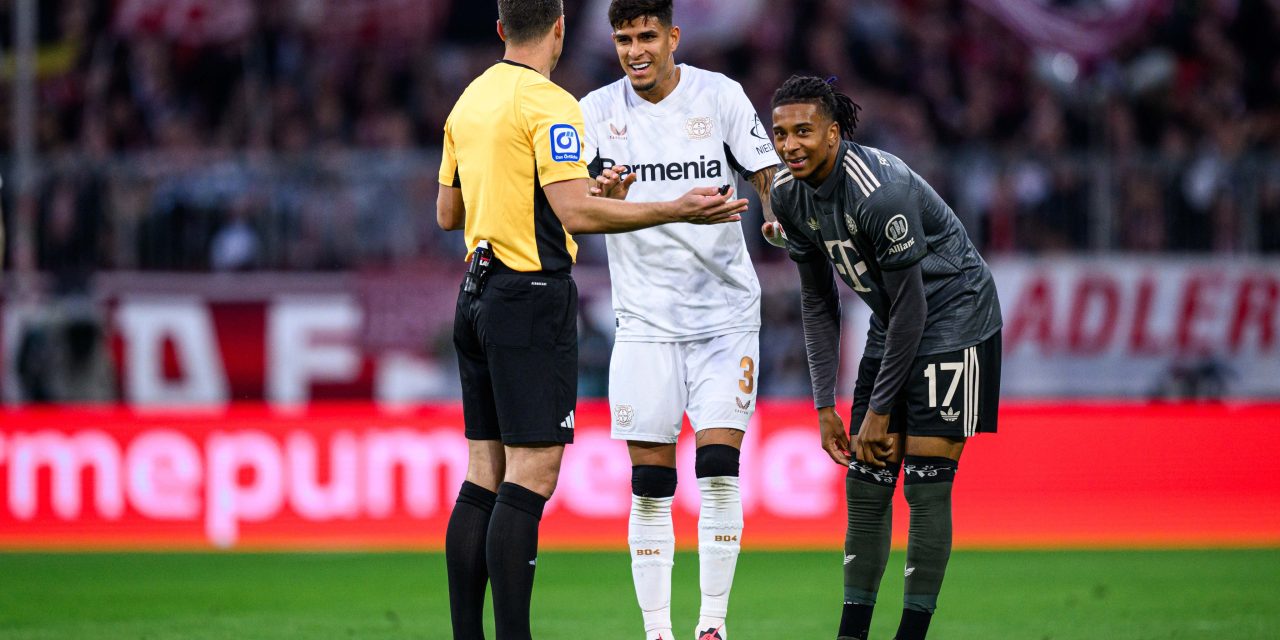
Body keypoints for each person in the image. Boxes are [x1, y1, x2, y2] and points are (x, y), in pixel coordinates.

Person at [435, 2, 749, 640]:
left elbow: (448, 211)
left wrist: (577, 198)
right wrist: (676, 209)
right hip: (529, 296)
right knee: (530, 475)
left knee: (482, 474)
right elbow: (575, 217)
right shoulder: (551, 104)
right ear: (558, 28)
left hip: (475, 291)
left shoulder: (469, 100)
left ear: (500, 29)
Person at [767, 75, 1003, 640]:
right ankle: (852, 633)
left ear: (833, 133)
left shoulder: (880, 193)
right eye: (779, 134)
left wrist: (875, 410)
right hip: (892, 320)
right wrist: (826, 403)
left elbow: (915, 309)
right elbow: (819, 299)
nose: (790, 145)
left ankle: (911, 635)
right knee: (865, 480)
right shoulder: (786, 193)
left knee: (924, 479)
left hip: (955, 318)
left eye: (803, 131)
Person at [580, 2, 781, 639]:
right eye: (623, 38)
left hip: (725, 315)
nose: (635, 50)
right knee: (650, 483)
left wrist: (776, 215)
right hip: (643, 321)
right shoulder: (593, 113)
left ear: (673, 37)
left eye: (646, 36)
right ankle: (658, 633)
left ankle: (712, 627)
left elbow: (765, 168)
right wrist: (601, 196)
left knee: (719, 470)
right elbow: (573, 201)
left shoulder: (718, 95)